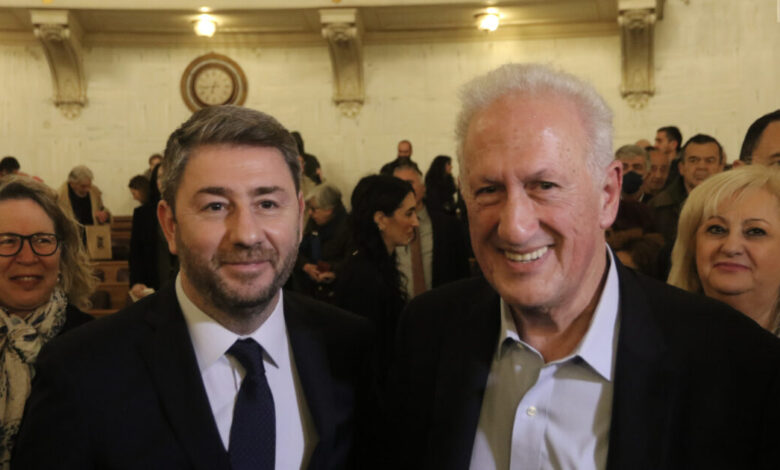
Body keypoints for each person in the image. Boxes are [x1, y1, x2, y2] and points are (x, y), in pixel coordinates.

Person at [385, 63, 780, 470]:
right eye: (488, 190)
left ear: (608, 194)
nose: (515, 227)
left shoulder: (734, 364)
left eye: (545, 186)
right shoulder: (428, 331)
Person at [12, 105, 372, 469]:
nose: (247, 234)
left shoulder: (352, 348)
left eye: (267, 203)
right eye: (215, 206)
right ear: (170, 225)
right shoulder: (80, 370)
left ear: (299, 216)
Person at [0, 176, 94, 467]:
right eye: (8, 241)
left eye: (42, 240)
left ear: (62, 253)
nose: (27, 257)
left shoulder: (98, 345)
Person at [669, 165, 780, 336]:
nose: (731, 247)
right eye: (717, 229)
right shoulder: (649, 335)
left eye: (755, 231)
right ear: (692, 244)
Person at [334, 174, 417, 371]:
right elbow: (369, 355)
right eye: (409, 214)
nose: (416, 222)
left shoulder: (380, 263)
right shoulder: (362, 276)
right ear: (381, 219)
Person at [392, 161, 471, 298]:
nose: (404, 190)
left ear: (423, 188)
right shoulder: (386, 229)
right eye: (398, 185)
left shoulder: (448, 226)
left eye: (409, 183)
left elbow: (462, 273)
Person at [650, 134, 725, 246]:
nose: (701, 167)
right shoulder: (659, 207)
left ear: (721, 167)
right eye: (693, 160)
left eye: (709, 161)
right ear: (681, 168)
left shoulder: (734, 204)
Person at [293, 183, 350, 301]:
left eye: (314, 209)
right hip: (308, 289)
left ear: (329, 210)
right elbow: (298, 250)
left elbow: (351, 265)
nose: (310, 213)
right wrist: (305, 266)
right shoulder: (315, 221)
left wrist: (335, 273)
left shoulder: (349, 229)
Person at [128, 164, 177, 300]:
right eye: (160, 177)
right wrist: (136, 281)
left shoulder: (190, 210)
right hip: (154, 283)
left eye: (168, 175)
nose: (164, 180)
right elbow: (136, 252)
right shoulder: (143, 213)